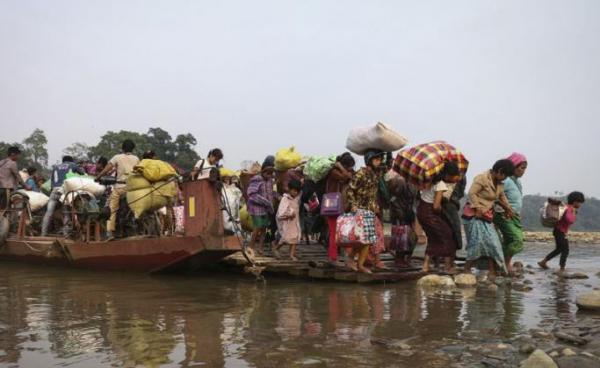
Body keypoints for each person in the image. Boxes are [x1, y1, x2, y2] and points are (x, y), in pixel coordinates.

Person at [463, 159, 515, 281]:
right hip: (474, 216)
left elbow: (501, 197)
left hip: (487, 216)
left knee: (493, 243)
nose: (505, 178)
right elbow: (471, 193)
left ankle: (493, 271)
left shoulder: (500, 184)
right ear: (500, 171)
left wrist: (508, 209)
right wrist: (477, 207)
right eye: (505, 175)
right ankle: (467, 268)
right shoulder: (482, 178)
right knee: (477, 242)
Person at [345, 149, 387, 273]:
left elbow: (373, 193)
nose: (379, 162)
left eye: (380, 160)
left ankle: (359, 263)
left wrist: (375, 205)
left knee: (368, 239)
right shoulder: (361, 173)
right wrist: (353, 205)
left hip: (370, 210)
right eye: (376, 159)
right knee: (363, 239)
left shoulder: (376, 174)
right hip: (359, 210)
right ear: (369, 160)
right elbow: (350, 190)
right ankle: (356, 262)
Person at [417, 162, 462, 273]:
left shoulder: (432, 180)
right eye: (453, 176)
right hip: (429, 213)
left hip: (421, 212)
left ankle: (425, 266)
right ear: (448, 175)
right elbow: (436, 206)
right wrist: (442, 211)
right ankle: (447, 267)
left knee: (433, 238)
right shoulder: (441, 184)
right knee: (448, 236)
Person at [95, 139, 140, 239]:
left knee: (112, 209)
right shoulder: (136, 159)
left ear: (122, 148)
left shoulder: (117, 157)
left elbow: (107, 168)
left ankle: (109, 232)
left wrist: (98, 177)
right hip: (132, 188)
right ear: (133, 149)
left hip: (119, 187)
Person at [494, 152, 528, 275]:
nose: (523, 171)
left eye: (525, 168)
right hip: (504, 215)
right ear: (513, 166)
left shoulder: (517, 182)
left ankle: (505, 263)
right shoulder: (506, 180)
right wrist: (505, 210)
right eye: (521, 167)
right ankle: (501, 262)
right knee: (517, 240)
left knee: (509, 240)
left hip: (514, 216)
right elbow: (495, 197)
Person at [538, 191, 585, 273]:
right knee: (565, 250)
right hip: (560, 231)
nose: (581, 205)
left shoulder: (565, 207)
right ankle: (562, 268)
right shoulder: (569, 208)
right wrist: (573, 213)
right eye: (580, 203)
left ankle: (543, 262)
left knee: (559, 249)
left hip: (559, 231)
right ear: (575, 202)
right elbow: (569, 220)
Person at [41, 155, 85, 236]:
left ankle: (43, 233)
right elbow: (82, 173)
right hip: (64, 191)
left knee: (48, 213)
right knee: (66, 213)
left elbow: (52, 181)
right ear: (71, 160)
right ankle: (66, 234)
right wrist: (80, 167)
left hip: (54, 190)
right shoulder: (72, 165)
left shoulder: (55, 167)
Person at [324, 152, 355, 263]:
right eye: (349, 166)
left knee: (343, 232)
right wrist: (340, 167)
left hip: (341, 207)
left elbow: (351, 177)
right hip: (332, 207)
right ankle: (333, 257)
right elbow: (346, 176)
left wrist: (342, 167)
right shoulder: (333, 171)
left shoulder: (342, 170)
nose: (350, 169)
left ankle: (342, 255)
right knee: (334, 233)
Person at [387, 172, 418, 268]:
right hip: (400, 214)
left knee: (409, 237)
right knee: (401, 237)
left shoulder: (412, 183)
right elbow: (393, 199)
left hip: (407, 213)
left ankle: (404, 258)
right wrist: (399, 213)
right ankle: (399, 259)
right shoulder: (400, 182)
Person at [247, 156, 276, 255]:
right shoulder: (256, 179)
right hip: (256, 208)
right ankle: (250, 247)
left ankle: (260, 248)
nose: (269, 175)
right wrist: (265, 201)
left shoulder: (270, 181)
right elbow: (251, 194)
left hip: (266, 209)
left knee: (264, 229)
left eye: (271, 173)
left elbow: (271, 193)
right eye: (268, 173)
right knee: (257, 227)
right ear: (263, 171)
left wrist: (278, 196)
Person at [273, 179, 303, 261]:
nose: (295, 193)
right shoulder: (285, 199)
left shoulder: (296, 199)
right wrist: (290, 214)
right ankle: (276, 248)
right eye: (294, 191)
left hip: (295, 222)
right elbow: (281, 213)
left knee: (294, 238)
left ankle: (291, 254)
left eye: (297, 191)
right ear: (289, 189)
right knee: (285, 238)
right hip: (288, 222)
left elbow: (301, 193)